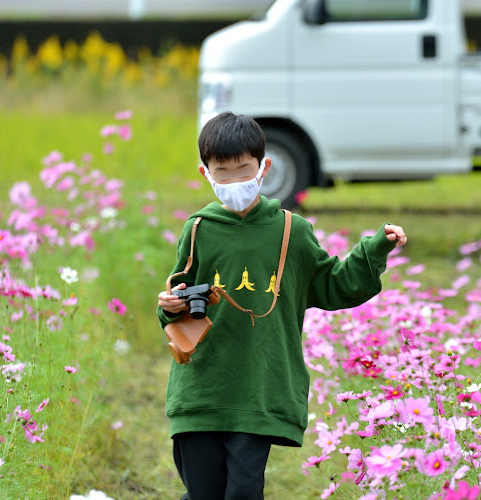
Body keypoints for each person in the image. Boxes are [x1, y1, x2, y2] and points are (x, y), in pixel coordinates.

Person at [156, 111, 407, 500]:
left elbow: (334, 286)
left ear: (263, 167)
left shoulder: (292, 230)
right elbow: (179, 300)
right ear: (205, 172)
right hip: (201, 387)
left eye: (244, 169)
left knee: (243, 491)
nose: (234, 181)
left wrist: (373, 249)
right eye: (223, 172)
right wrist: (170, 306)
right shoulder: (198, 230)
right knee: (203, 492)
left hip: (260, 386)